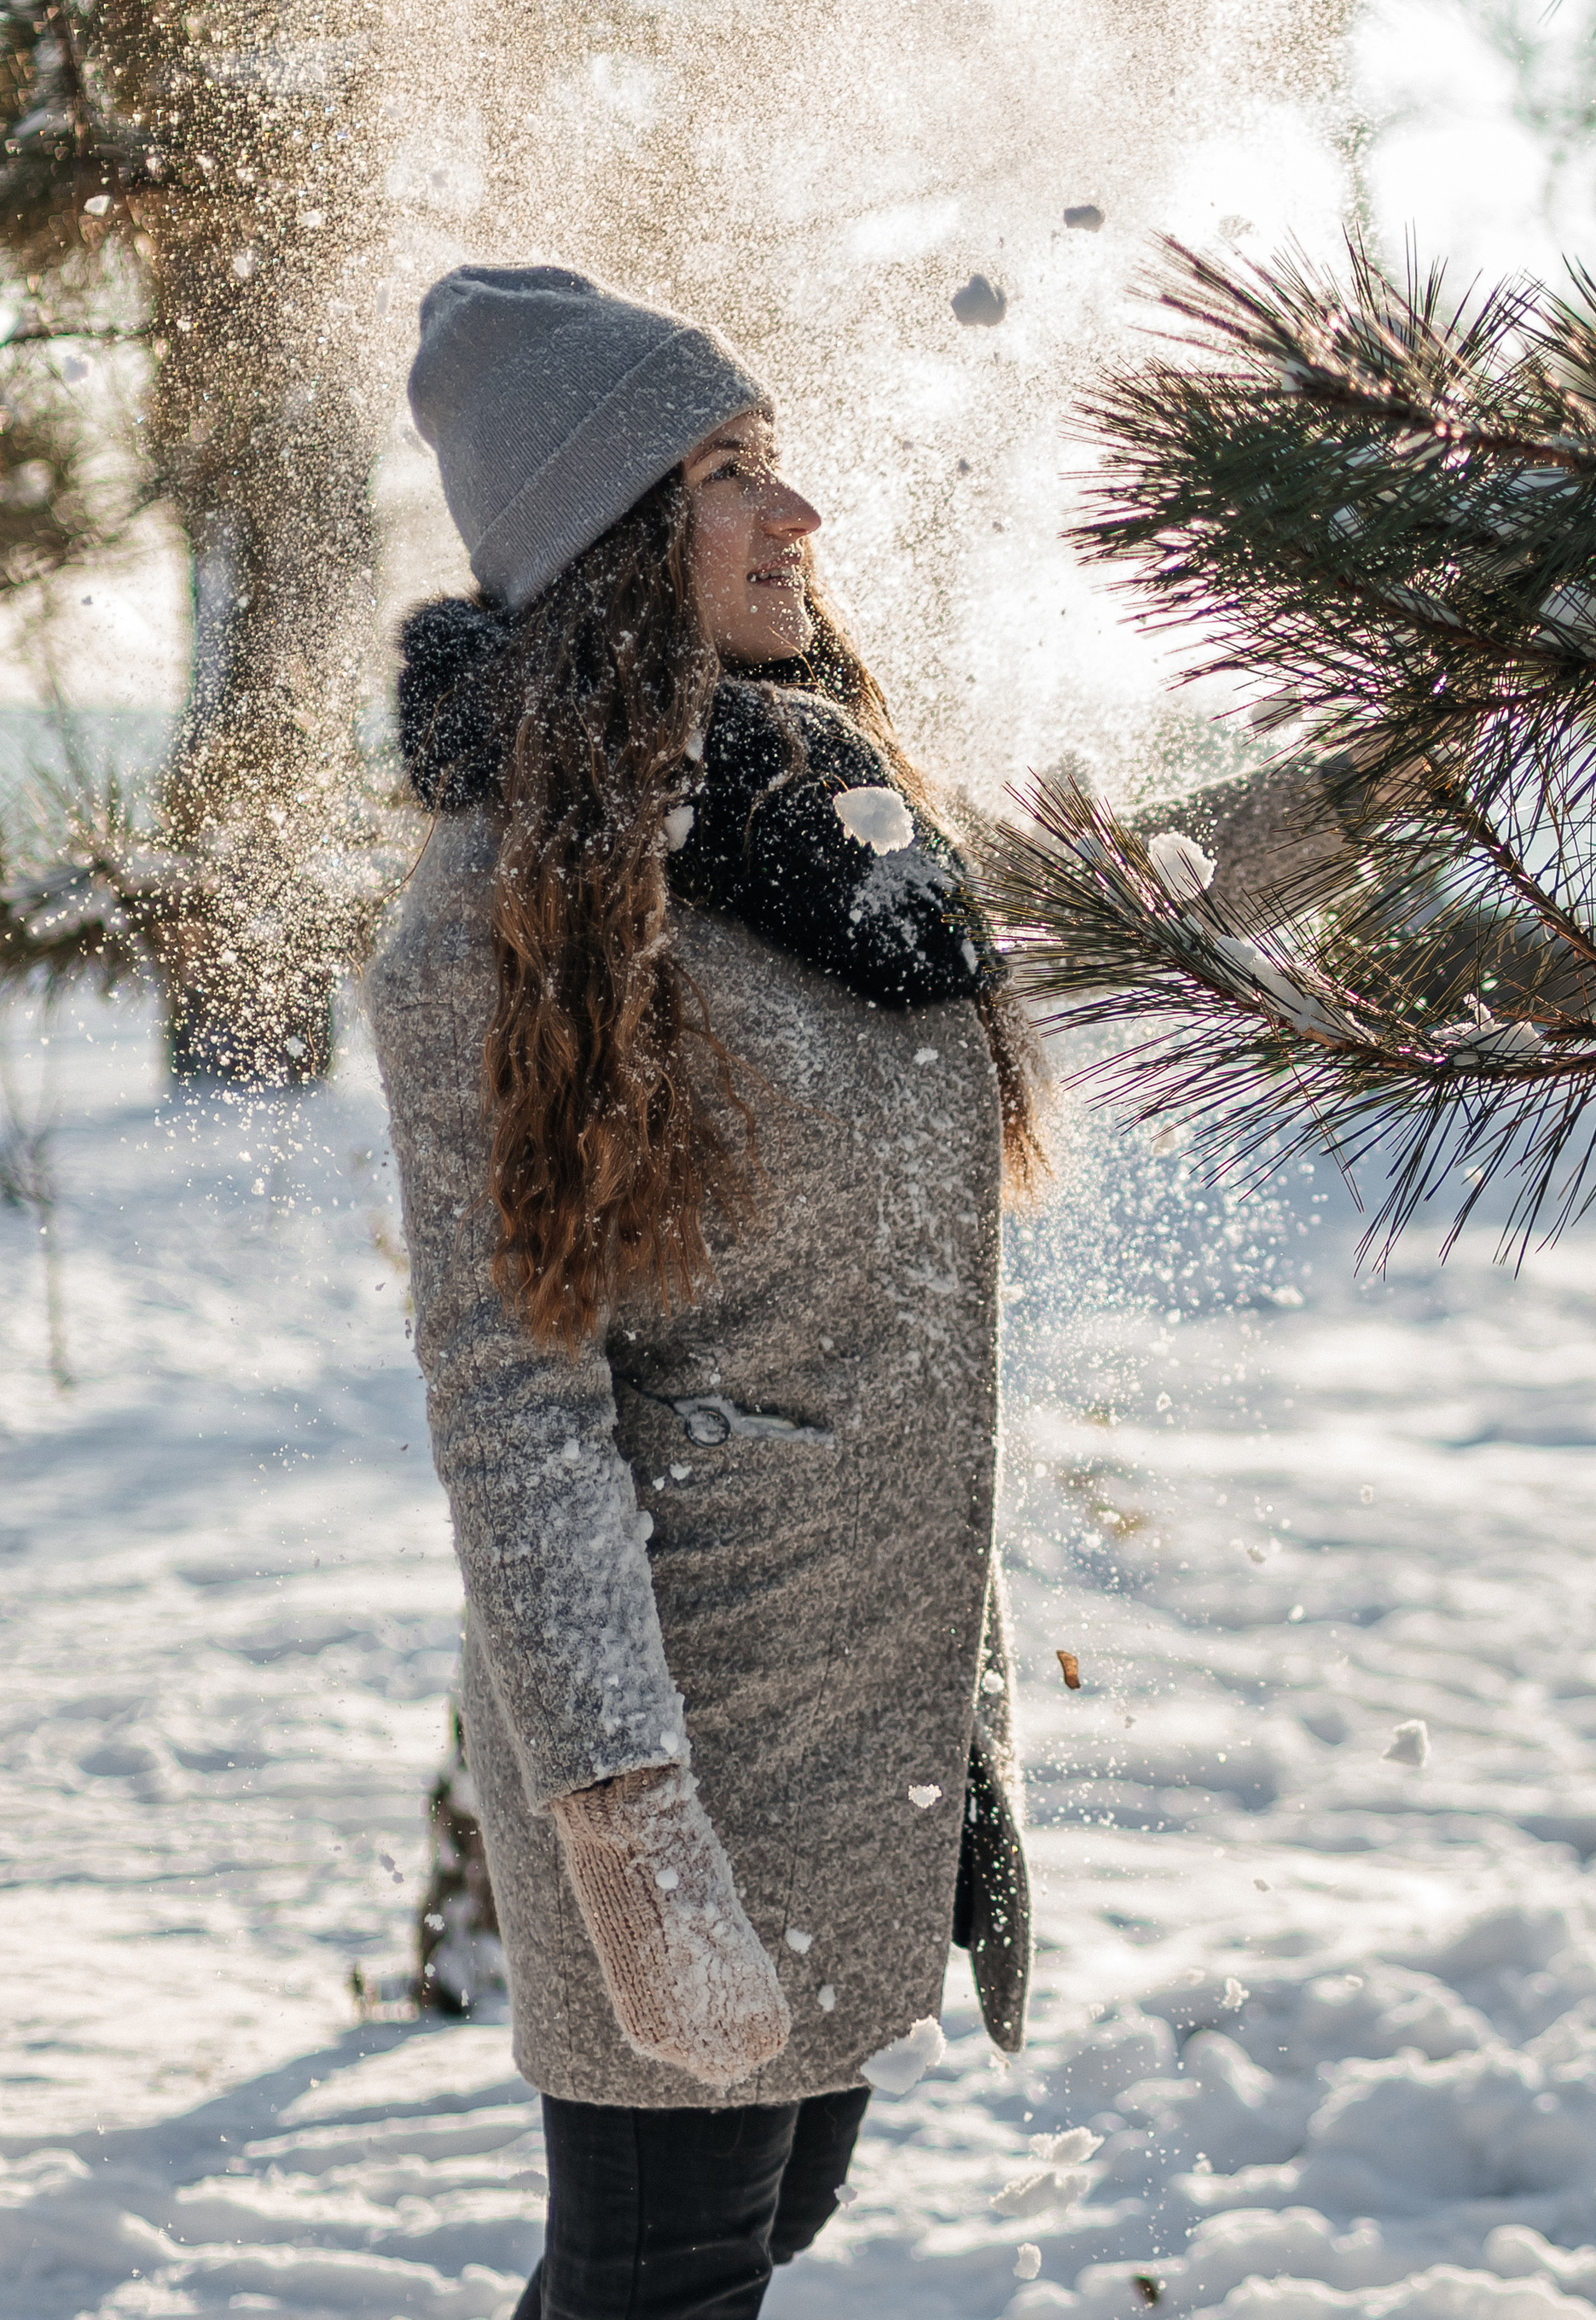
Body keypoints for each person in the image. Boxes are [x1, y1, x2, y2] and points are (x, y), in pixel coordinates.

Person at [367, 264, 1048, 2320]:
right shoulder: (486, 926)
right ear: (603, 549)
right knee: (656, 2278)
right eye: (726, 473)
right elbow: (514, 1413)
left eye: (771, 454)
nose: (794, 513)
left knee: (771, 2220)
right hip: (687, 1720)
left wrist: (1406, 763)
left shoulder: (827, 823)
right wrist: (626, 1838)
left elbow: (1096, 919)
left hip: (877, 1701)